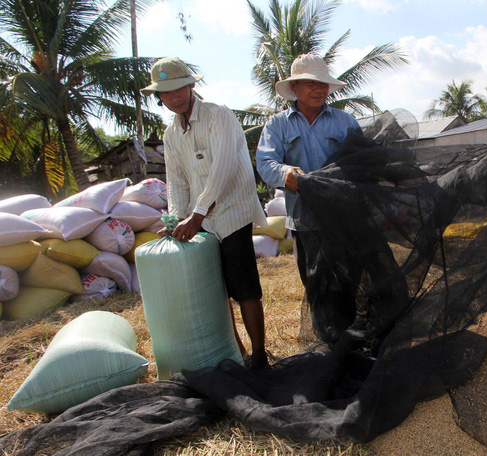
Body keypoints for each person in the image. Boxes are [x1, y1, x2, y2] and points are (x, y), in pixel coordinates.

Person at [141, 57, 269, 367]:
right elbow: (177, 181)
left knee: (245, 289)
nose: (174, 98)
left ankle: (260, 355)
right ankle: (237, 354)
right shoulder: (171, 134)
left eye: (178, 89)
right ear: (159, 97)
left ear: (191, 85)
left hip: (232, 213)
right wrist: (175, 218)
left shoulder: (217, 115)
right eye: (166, 93)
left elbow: (223, 169)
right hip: (201, 221)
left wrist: (196, 215)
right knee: (216, 292)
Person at [256, 54, 363, 286]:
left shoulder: (345, 121)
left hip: (344, 217)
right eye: (311, 83)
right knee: (316, 286)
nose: (318, 89)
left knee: (351, 282)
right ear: (294, 86)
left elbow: (363, 160)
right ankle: (323, 323)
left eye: (323, 84)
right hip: (305, 222)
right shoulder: (278, 125)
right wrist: (285, 173)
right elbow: (265, 162)